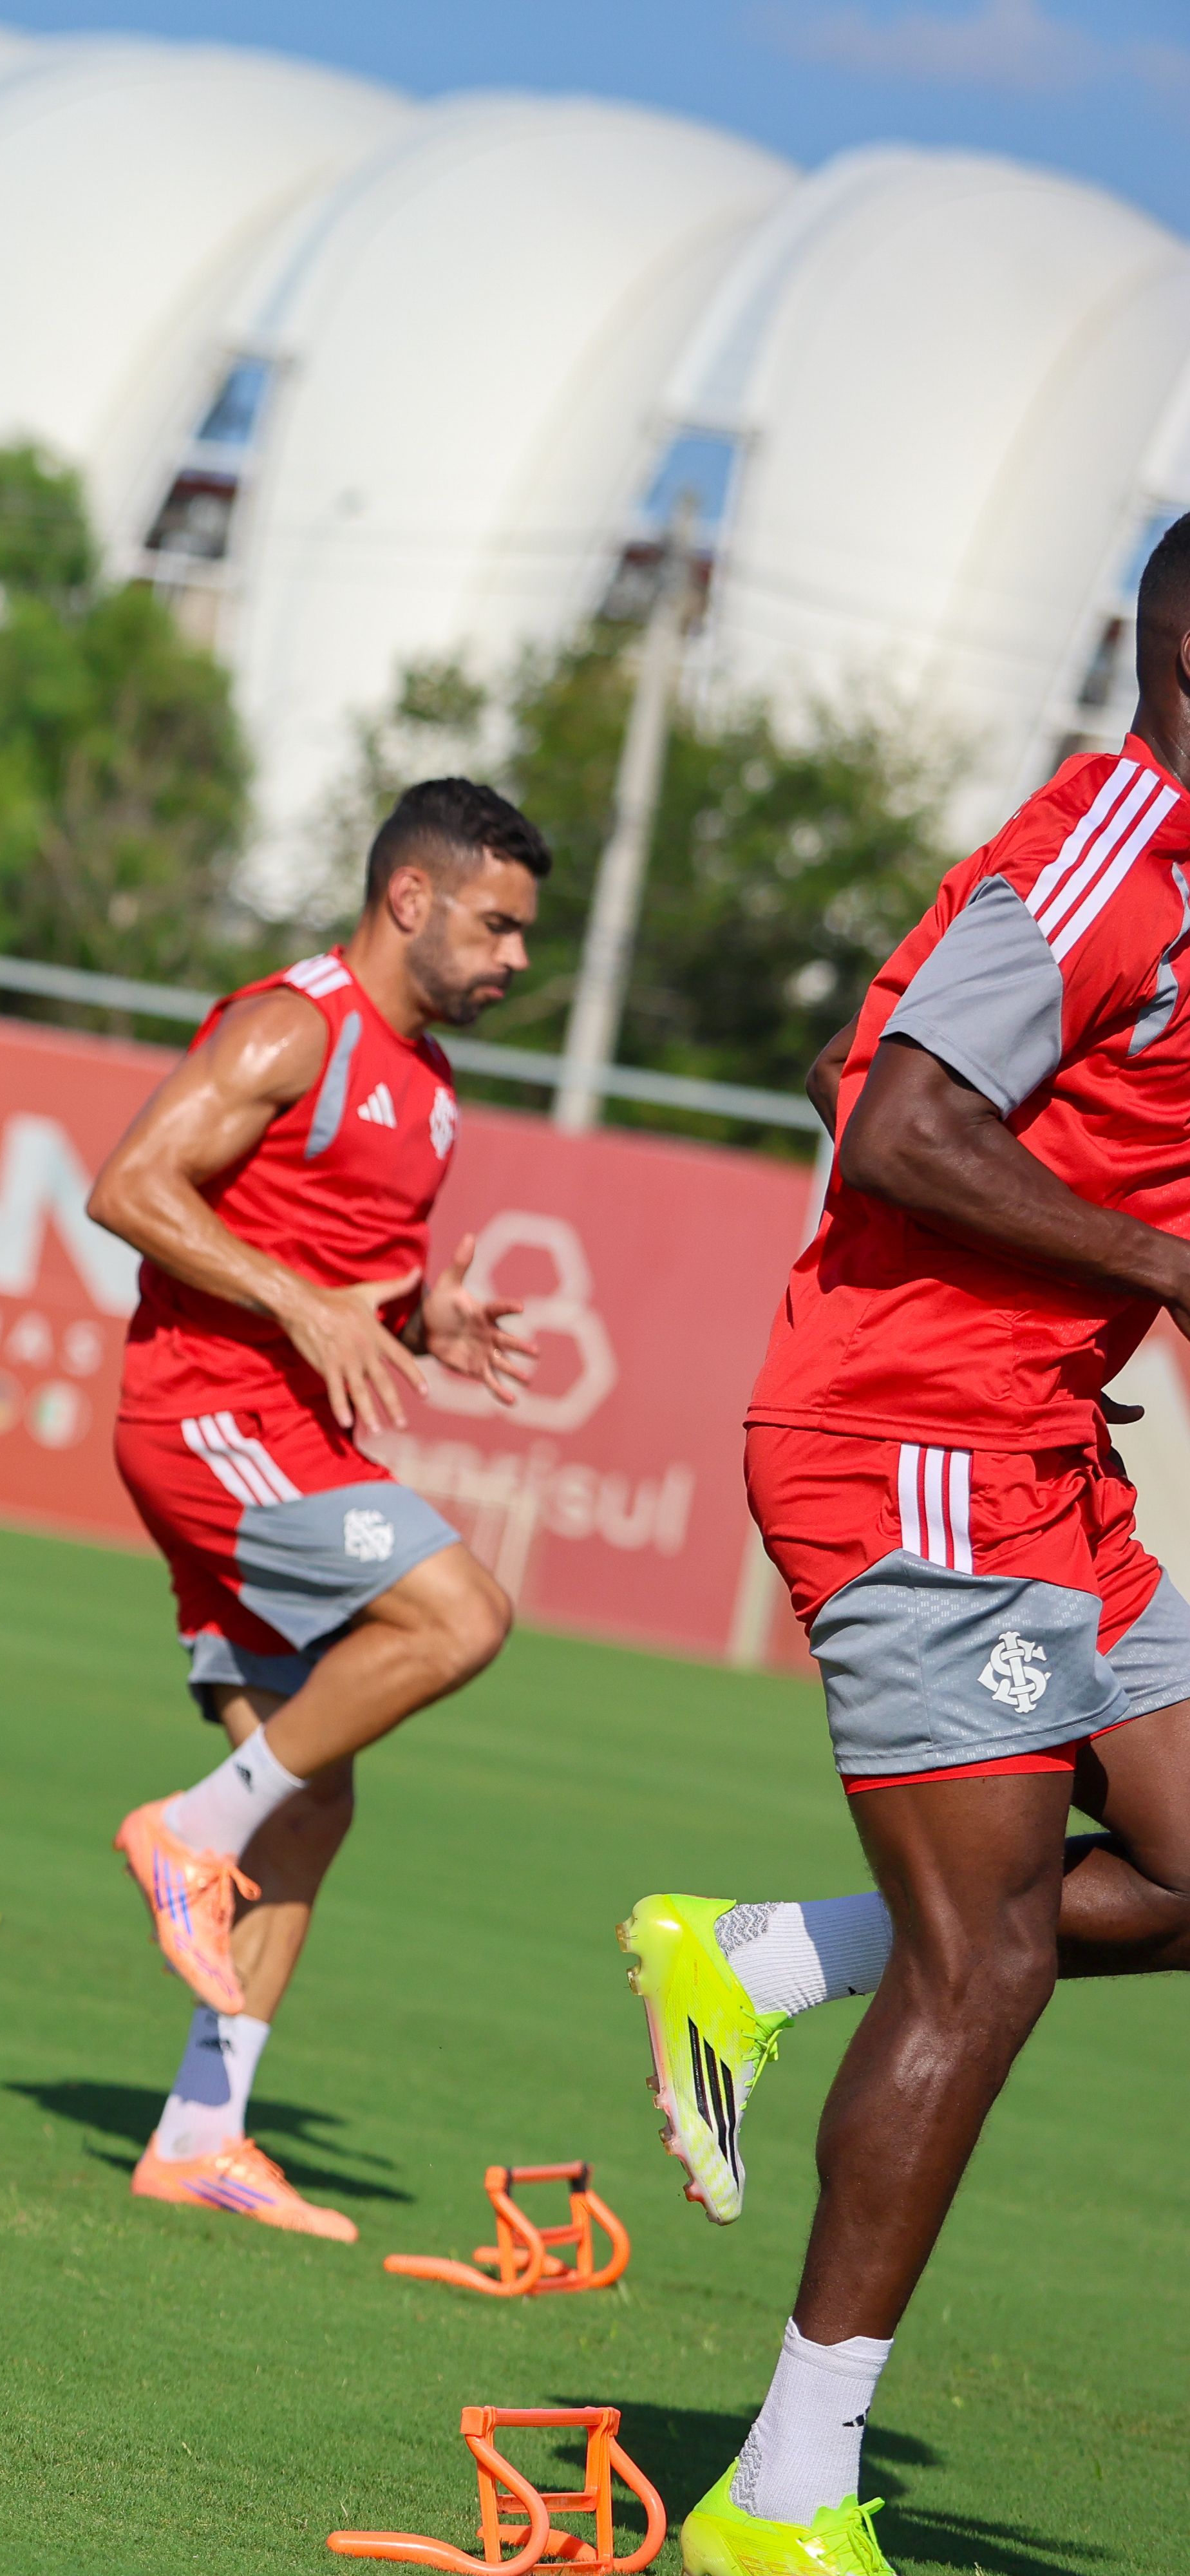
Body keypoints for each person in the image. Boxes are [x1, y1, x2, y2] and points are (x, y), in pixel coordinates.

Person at [623, 513, 1190, 2576]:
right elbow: (890, 1121)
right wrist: (1150, 1263)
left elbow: (848, 1061)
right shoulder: (1107, 854)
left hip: (1036, 1447)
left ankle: (762, 1957)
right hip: (910, 1443)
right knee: (993, 1956)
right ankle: (782, 2497)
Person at [82, 779, 548, 2240]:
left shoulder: (435, 1086)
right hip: (207, 1419)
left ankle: (200, 2135)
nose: (515, 957)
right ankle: (185, 1830)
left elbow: (341, 1280)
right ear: (410, 898)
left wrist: (421, 1318)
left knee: (316, 1792)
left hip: (281, 1427)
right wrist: (298, 1300)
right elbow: (129, 1186)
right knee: (462, 1614)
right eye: (498, 925)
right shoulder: (297, 1027)